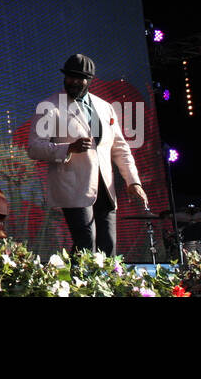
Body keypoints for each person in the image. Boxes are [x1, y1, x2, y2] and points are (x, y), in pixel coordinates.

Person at [27, 54, 148, 255]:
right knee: (86, 243)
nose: (73, 81)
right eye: (69, 76)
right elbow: (34, 147)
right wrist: (68, 149)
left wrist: (133, 181)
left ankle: (107, 285)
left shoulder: (104, 107)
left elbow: (120, 147)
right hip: (74, 186)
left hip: (105, 186)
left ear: (89, 80)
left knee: (108, 244)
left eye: (79, 77)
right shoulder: (50, 107)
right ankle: (80, 285)